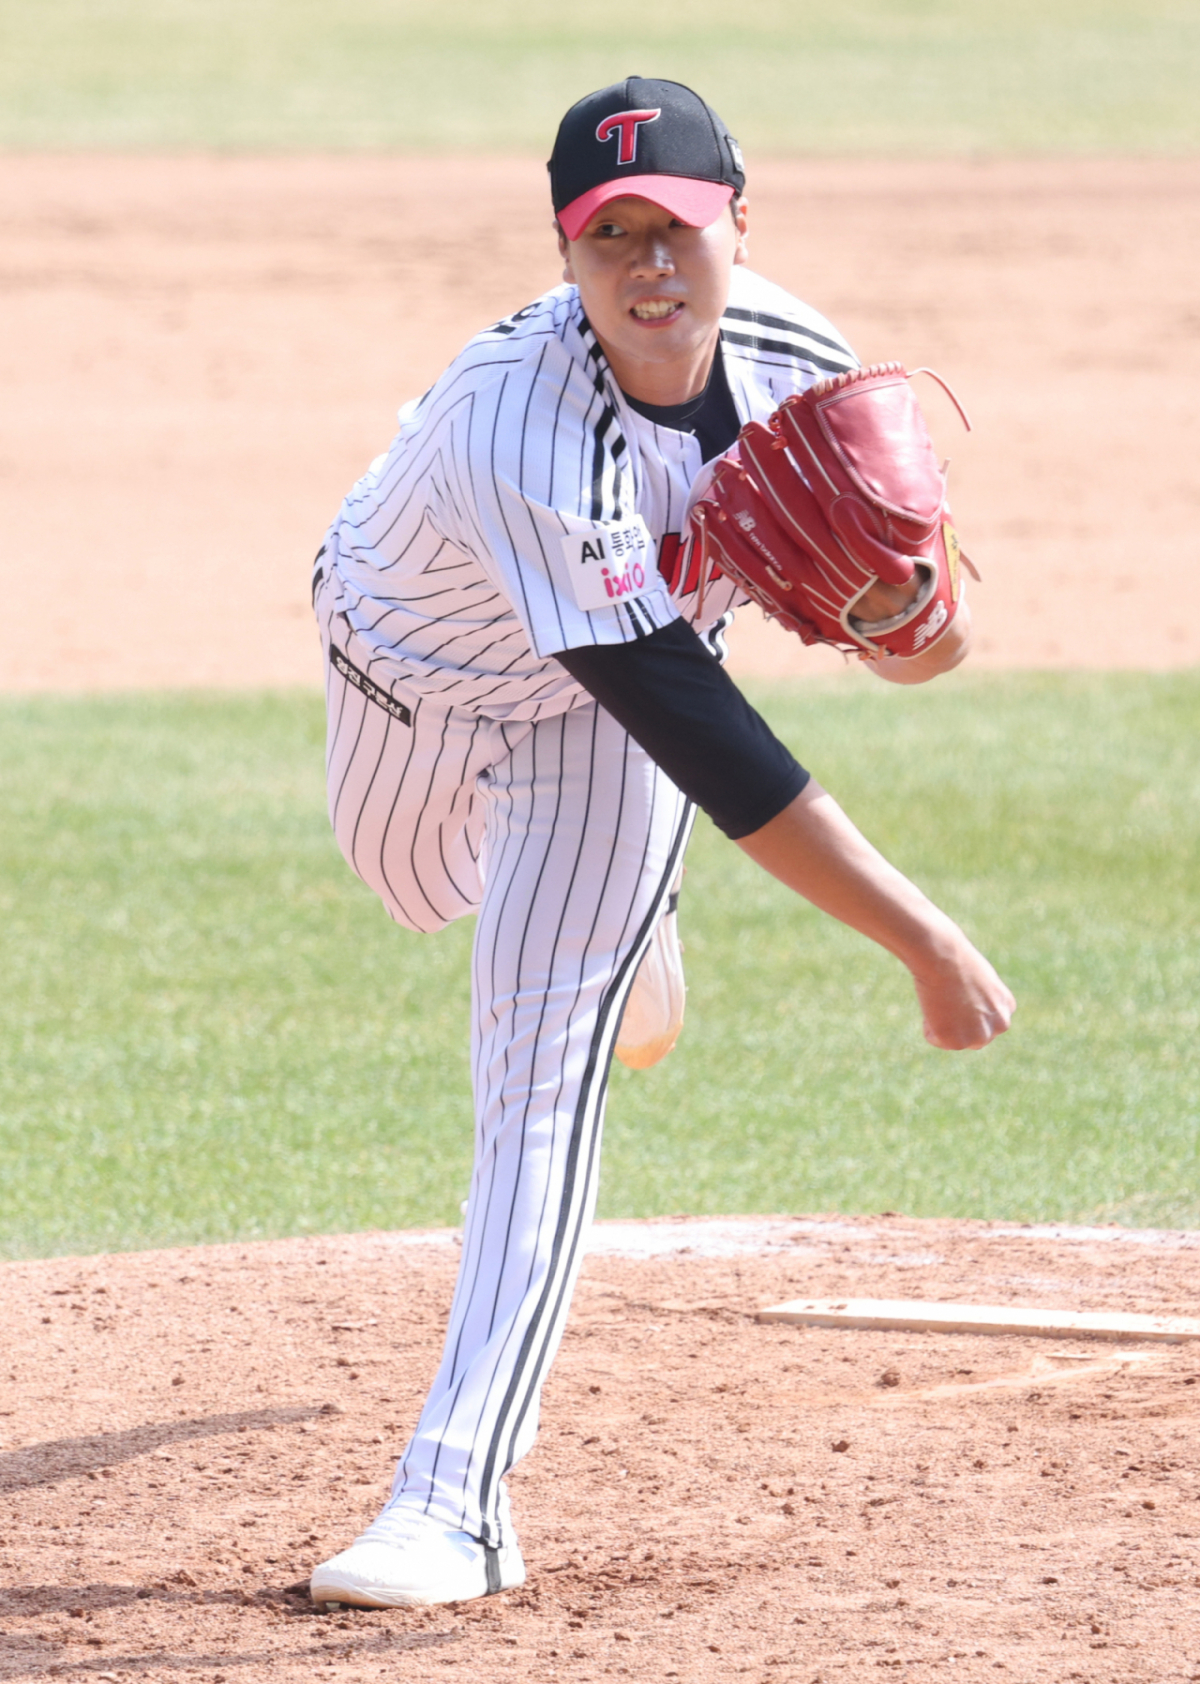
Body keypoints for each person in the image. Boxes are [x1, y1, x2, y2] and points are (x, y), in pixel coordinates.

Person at [307, 76, 1014, 1610]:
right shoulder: (519, 424)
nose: (648, 267)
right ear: (565, 254)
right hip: (410, 674)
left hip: (613, 730)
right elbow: (714, 744)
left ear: (739, 224)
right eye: (609, 235)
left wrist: (921, 618)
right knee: (413, 889)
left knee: (537, 1071)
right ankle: (628, 916)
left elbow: (910, 616)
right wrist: (927, 940)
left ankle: (453, 1502)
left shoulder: (804, 364)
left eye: (678, 229)